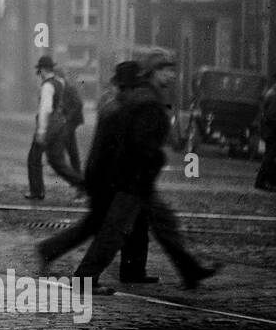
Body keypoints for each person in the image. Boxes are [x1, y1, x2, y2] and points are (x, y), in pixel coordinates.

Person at [72, 49, 218, 292]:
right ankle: (84, 279)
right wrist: (157, 157)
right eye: (166, 70)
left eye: (172, 70)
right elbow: (140, 143)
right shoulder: (147, 99)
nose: (172, 75)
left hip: (137, 177)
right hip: (134, 178)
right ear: (153, 72)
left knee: (164, 223)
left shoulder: (146, 95)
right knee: (114, 230)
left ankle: (190, 270)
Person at [37, 60, 156, 282]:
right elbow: (112, 148)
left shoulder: (114, 103)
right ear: (128, 87)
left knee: (106, 224)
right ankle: (84, 271)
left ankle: (131, 270)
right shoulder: (118, 108)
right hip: (109, 179)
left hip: (105, 177)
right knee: (107, 227)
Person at [25, 55, 86, 200]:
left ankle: (37, 191)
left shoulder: (47, 86)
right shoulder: (60, 83)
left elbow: (45, 109)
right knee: (56, 161)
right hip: (59, 126)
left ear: (43, 70)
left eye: (39, 71)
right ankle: (84, 184)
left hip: (48, 127)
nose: (39, 75)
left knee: (34, 159)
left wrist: (41, 131)